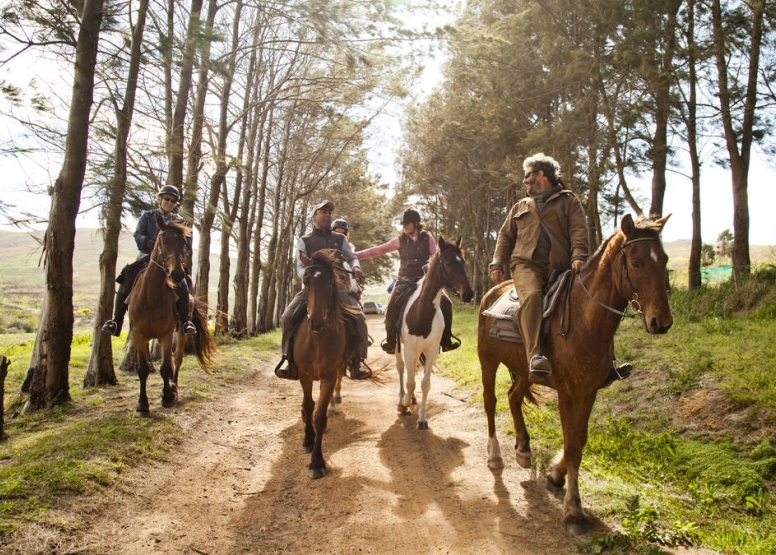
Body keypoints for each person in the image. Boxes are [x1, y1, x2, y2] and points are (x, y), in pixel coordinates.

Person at [489, 153, 631, 383]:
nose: (524, 181)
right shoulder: (520, 206)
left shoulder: (569, 201)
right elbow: (505, 237)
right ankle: (535, 355)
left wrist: (579, 256)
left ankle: (608, 362)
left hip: (562, 266)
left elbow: (578, 230)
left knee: (591, 300)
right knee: (533, 296)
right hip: (526, 266)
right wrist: (497, 263)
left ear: (541, 174)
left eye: (527, 175)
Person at [274, 201, 372, 381]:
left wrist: (356, 267)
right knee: (287, 318)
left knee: (360, 318)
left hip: (338, 289)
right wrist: (310, 277)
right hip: (312, 288)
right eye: (323, 212)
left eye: (329, 212)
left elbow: (352, 257)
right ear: (314, 217)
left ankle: (357, 362)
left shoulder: (340, 239)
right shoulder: (304, 240)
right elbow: (299, 267)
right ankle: (289, 361)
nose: (327, 215)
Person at [356, 208, 460, 355]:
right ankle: (390, 341)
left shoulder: (428, 239)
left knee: (447, 303)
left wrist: (430, 266)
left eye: (407, 223)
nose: (404, 226)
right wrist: (356, 256)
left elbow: (435, 258)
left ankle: (446, 341)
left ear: (416, 223)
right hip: (405, 280)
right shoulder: (399, 240)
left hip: (425, 281)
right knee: (391, 307)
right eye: (403, 224)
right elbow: (378, 250)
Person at [101, 185, 196, 337]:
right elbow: (138, 235)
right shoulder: (147, 216)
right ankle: (116, 321)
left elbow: (188, 243)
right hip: (147, 256)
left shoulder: (180, 221)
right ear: (160, 199)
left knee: (183, 284)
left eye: (173, 200)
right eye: (167, 199)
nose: (169, 202)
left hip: (170, 259)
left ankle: (185, 322)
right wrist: (154, 245)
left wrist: (175, 251)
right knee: (126, 278)